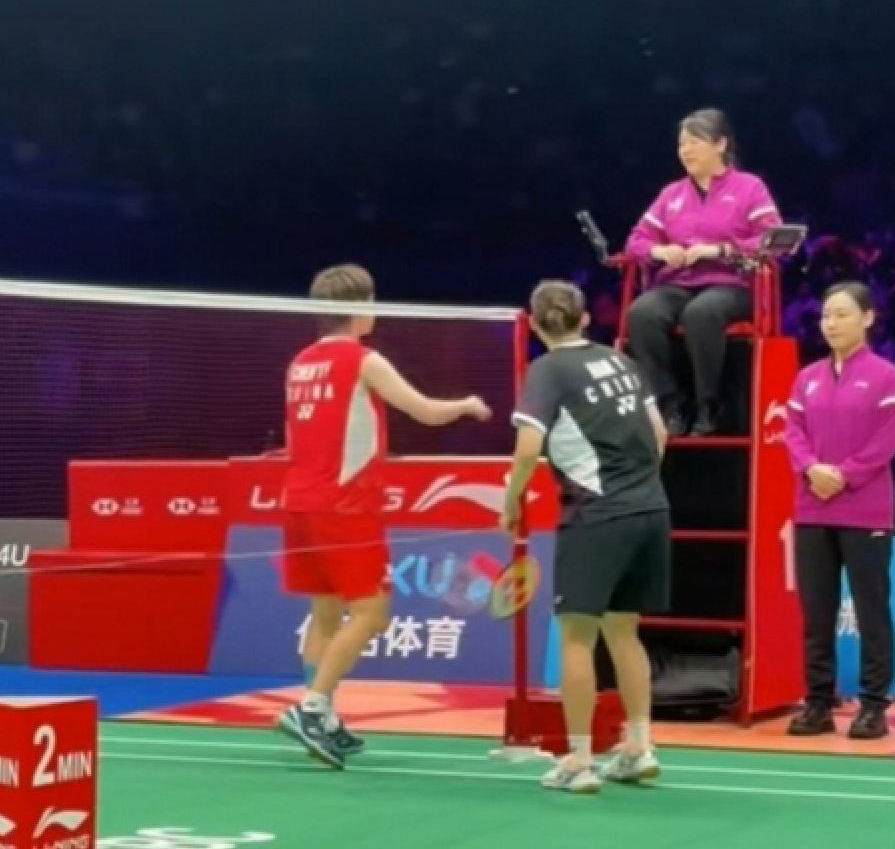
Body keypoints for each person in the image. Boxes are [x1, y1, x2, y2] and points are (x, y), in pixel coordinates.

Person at [277, 264, 491, 769]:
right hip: (346, 507)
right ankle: (311, 708)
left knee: (326, 613)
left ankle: (324, 716)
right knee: (372, 614)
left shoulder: (299, 363)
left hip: (300, 502)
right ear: (359, 310)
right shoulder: (363, 359)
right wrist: (467, 405)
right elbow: (424, 411)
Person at [502, 279, 671, 794]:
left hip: (596, 515)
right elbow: (659, 435)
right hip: (651, 508)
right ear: (585, 319)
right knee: (625, 631)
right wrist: (637, 485)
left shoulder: (548, 370)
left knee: (577, 636)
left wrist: (510, 502)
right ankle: (639, 746)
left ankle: (578, 760)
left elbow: (528, 448)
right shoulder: (621, 362)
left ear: (534, 325)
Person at [783, 282, 895, 740]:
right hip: (812, 509)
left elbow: (889, 438)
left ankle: (874, 706)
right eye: (826, 315)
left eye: (842, 314)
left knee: (872, 611)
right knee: (817, 614)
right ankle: (818, 703)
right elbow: (792, 431)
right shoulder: (807, 377)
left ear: (868, 318)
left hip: (865, 511)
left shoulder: (885, 376)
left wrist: (845, 474)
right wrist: (811, 468)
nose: (831, 324)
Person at [624, 108, 783, 437]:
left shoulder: (750, 188)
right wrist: (659, 251)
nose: (686, 151)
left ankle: (709, 405)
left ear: (721, 144)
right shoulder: (671, 194)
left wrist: (720, 250)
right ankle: (670, 404)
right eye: (682, 144)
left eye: (695, 142)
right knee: (641, 313)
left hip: (732, 284)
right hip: (679, 283)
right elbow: (636, 241)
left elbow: (773, 239)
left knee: (702, 313)